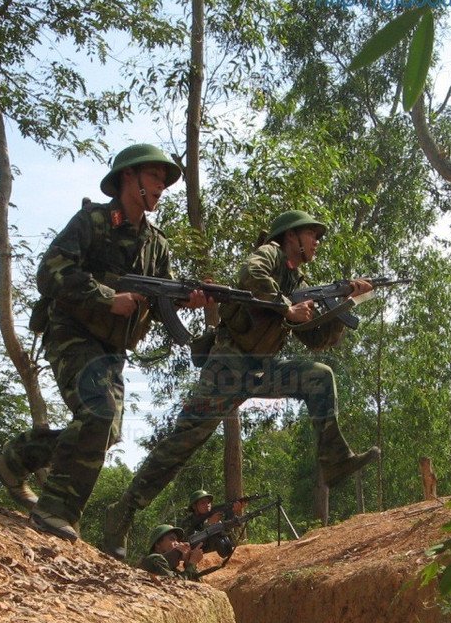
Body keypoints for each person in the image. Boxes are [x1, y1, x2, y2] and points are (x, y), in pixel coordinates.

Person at [104, 209, 380, 559]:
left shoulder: (296, 282)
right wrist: (287, 308)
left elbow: (316, 340)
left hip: (260, 370)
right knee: (182, 443)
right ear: (291, 236)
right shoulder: (271, 254)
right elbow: (251, 273)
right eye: (312, 234)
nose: (317, 241)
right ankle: (123, 511)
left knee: (319, 376)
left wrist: (344, 303)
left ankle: (335, 459)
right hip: (228, 368)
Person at [0, 143, 207, 542]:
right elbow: (49, 272)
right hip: (70, 332)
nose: (162, 186)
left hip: (111, 349)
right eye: (155, 176)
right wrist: (107, 297)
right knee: (98, 414)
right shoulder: (93, 221)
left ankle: (15, 460)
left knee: (106, 431)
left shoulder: (156, 244)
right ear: (129, 176)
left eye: (165, 179)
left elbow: (161, 300)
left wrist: (186, 300)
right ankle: (54, 511)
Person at [139, 525, 204, 580]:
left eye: (177, 541)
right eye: (172, 539)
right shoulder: (154, 559)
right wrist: (192, 563)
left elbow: (196, 584)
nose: (177, 543)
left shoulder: (170, 569)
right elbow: (174, 582)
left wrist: (188, 563)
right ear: (158, 543)